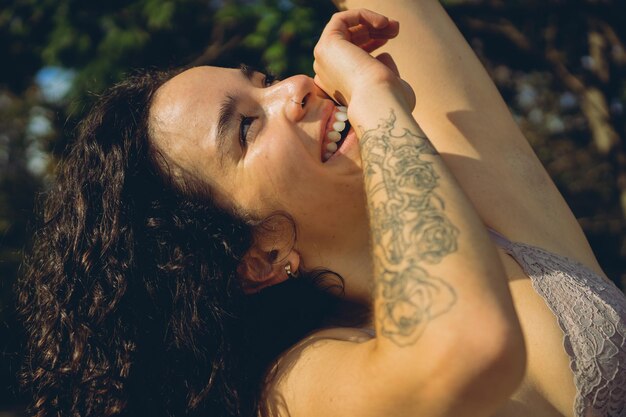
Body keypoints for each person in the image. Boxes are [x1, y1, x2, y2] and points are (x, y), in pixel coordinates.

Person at [16, 4, 623, 417]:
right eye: (247, 127)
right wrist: (379, 105)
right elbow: (469, 350)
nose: (294, 87)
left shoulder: (476, 197)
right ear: (260, 257)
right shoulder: (301, 383)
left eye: (261, 79)